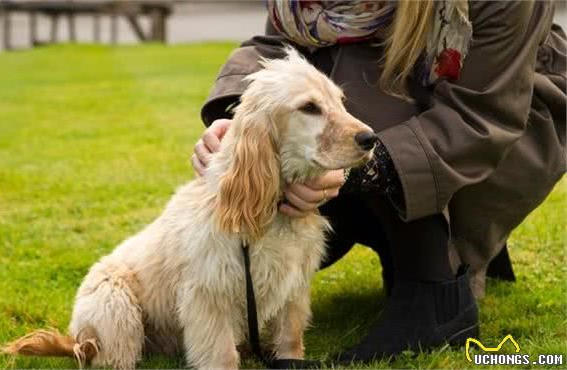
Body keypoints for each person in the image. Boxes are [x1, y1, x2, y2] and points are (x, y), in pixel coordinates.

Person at [192, 0, 566, 363]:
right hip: (381, 124)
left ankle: (433, 285)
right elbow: (283, 53)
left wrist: (358, 170)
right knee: (342, 94)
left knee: (359, 84)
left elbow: (482, 114)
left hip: (494, 131)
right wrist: (241, 122)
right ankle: (388, 232)